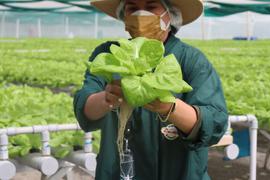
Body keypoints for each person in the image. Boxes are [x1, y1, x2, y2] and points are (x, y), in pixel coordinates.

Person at [73, 0, 228, 179]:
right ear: (124, 17)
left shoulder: (191, 59)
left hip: (179, 172)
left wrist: (168, 107)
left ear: (170, 15)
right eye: (132, 8)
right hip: (119, 171)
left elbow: (214, 122)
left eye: (151, 7)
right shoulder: (110, 54)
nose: (140, 15)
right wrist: (107, 99)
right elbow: (85, 107)